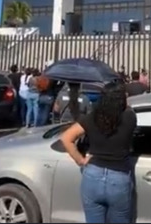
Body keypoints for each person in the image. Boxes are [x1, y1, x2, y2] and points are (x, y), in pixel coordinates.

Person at [60, 83, 137, 223]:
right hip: (118, 177)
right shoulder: (130, 118)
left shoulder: (91, 117)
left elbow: (66, 138)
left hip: (92, 175)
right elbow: (128, 109)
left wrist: (80, 160)